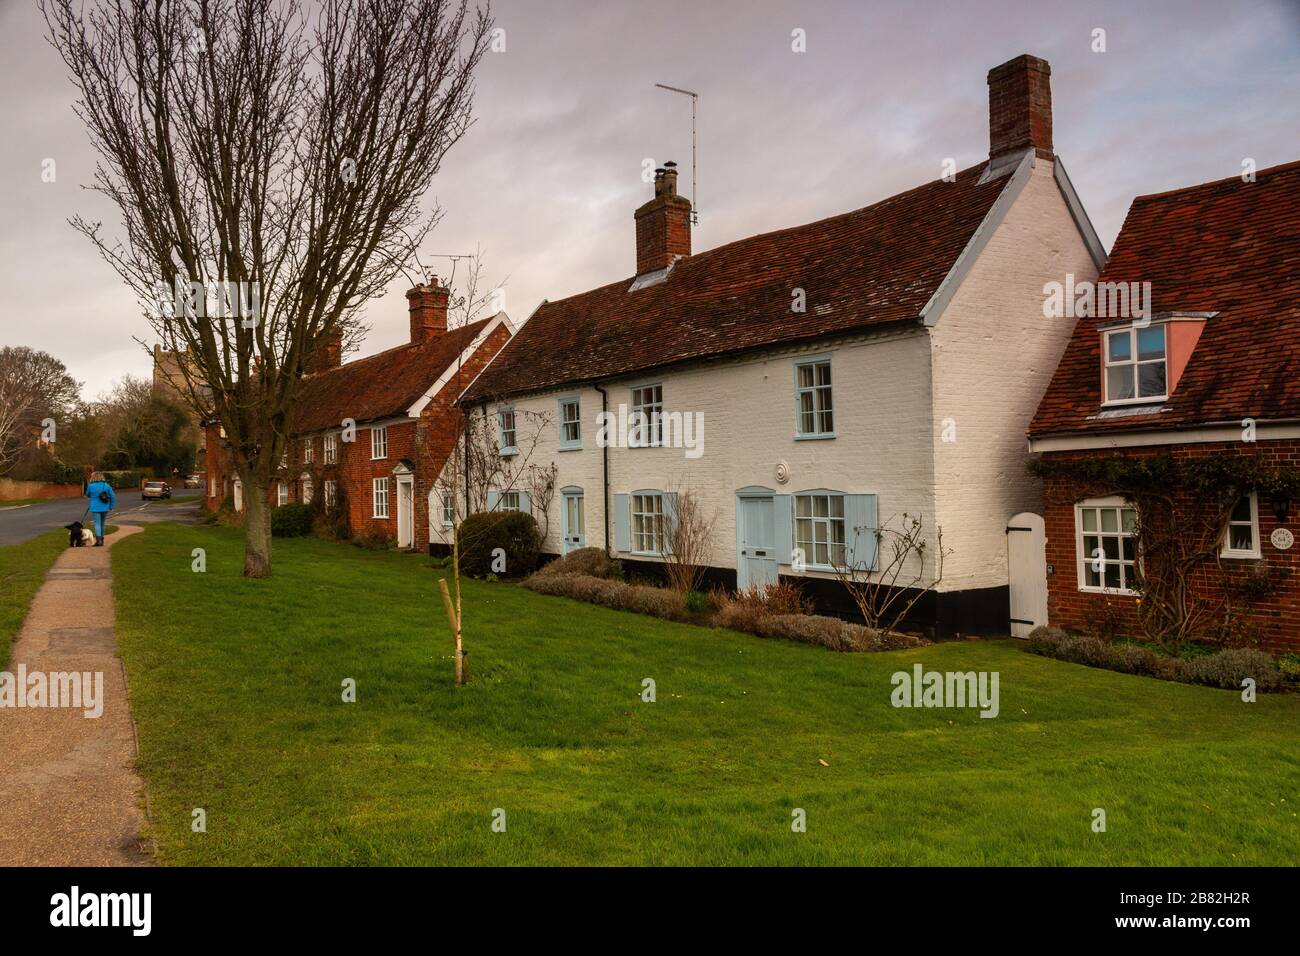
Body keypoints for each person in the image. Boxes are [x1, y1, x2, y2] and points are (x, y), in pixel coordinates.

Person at [85, 472, 116, 547]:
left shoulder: (90, 486)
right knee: (102, 523)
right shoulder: (106, 485)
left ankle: (98, 541)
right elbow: (113, 496)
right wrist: (111, 506)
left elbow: (87, 494)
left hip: (95, 507)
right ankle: (101, 540)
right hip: (105, 507)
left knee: (97, 524)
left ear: (93, 477)